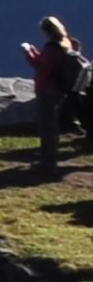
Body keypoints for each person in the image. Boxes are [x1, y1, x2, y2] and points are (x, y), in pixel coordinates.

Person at [32, 18, 86, 175]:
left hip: (46, 91)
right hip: (59, 90)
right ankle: (48, 162)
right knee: (52, 127)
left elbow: (44, 71)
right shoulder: (67, 43)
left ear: (46, 32)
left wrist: (29, 56)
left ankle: (47, 165)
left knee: (47, 128)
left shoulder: (51, 49)